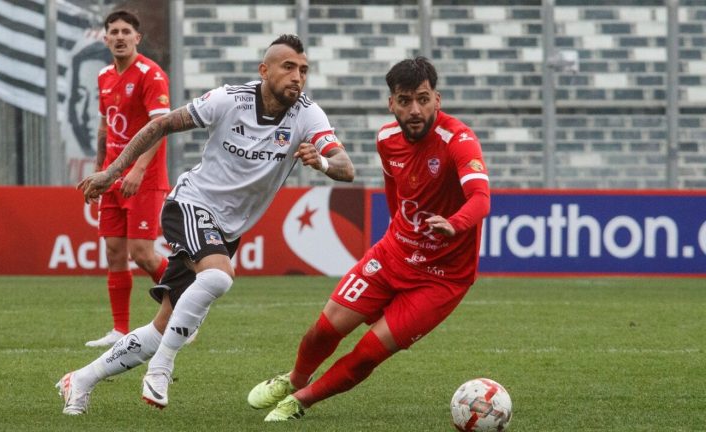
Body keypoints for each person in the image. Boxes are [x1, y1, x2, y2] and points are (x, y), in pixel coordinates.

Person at [55, 33, 355, 415]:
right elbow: (160, 125)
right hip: (190, 204)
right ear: (264, 71)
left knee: (161, 328)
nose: (297, 77)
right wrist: (112, 172)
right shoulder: (229, 99)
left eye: (304, 70)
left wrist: (323, 162)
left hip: (226, 230)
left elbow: (346, 166)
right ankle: (161, 369)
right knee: (218, 277)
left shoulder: (308, 115)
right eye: (288, 67)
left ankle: (80, 380)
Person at [247, 56, 491, 422]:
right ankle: (294, 378)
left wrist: (455, 224)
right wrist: (400, 234)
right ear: (391, 102)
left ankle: (300, 401)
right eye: (405, 100)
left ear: (437, 100)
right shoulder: (386, 139)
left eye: (423, 99)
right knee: (324, 328)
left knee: (368, 352)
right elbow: (396, 195)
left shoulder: (458, 140)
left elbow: (481, 199)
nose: (414, 109)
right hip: (394, 254)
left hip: (441, 279)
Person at [84, 10, 172, 348]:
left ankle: (185, 313)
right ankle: (120, 330)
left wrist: (137, 169)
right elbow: (105, 130)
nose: (119, 37)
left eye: (126, 31)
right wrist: (98, 174)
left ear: (137, 37)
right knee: (114, 252)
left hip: (144, 179)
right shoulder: (104, 76)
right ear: (105, 38)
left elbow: (160, 127)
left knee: (143, 253)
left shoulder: (152, 75)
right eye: (113, 32)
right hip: (113, 178)